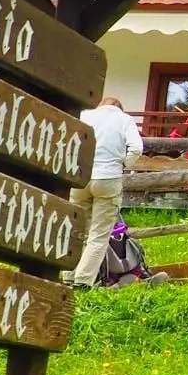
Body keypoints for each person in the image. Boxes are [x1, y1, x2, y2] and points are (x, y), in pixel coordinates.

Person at [71, 96, 143, 290]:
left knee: (76, 230)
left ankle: (68, 275)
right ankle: (82, 281)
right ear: (119, 108)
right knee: (98, 234)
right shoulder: (124, 119)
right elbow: (137, 148)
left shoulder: (85, 115)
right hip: (107, 178)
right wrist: (124, 163)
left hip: (80, 176)